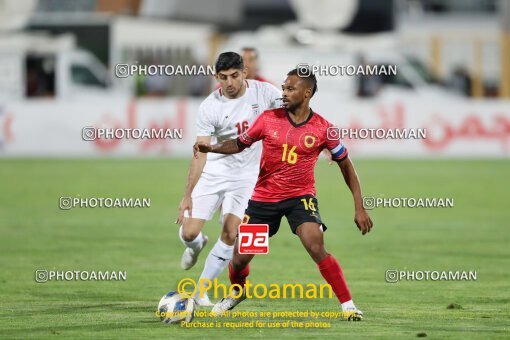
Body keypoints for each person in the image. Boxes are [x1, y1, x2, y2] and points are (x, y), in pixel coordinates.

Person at [194, 68, 373, 320]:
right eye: (284, 87)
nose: (284, 93)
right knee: (239, 260)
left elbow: (346, 164)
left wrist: (359, 206)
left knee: (315, 243)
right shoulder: (267, 119)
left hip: (300, 198)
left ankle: (348, 306)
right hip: (263, 200)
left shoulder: (324, 128)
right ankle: (237, 292)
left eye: (290, 88)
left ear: (307, 92)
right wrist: (211, 147)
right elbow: (239, 143)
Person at [176, 52, 281, 306]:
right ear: (217, 77)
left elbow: (295, 112)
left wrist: (321, 144)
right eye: (223, 77)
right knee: (189, 232)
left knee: (232, 232)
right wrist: (187, 194)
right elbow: (200, 153)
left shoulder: (265, 93)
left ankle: (201, 291)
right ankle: (195, 245)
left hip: (247, 177)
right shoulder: (209, 106)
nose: (230, 83)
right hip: (213, 172)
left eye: (235, 76)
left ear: (244, 73)